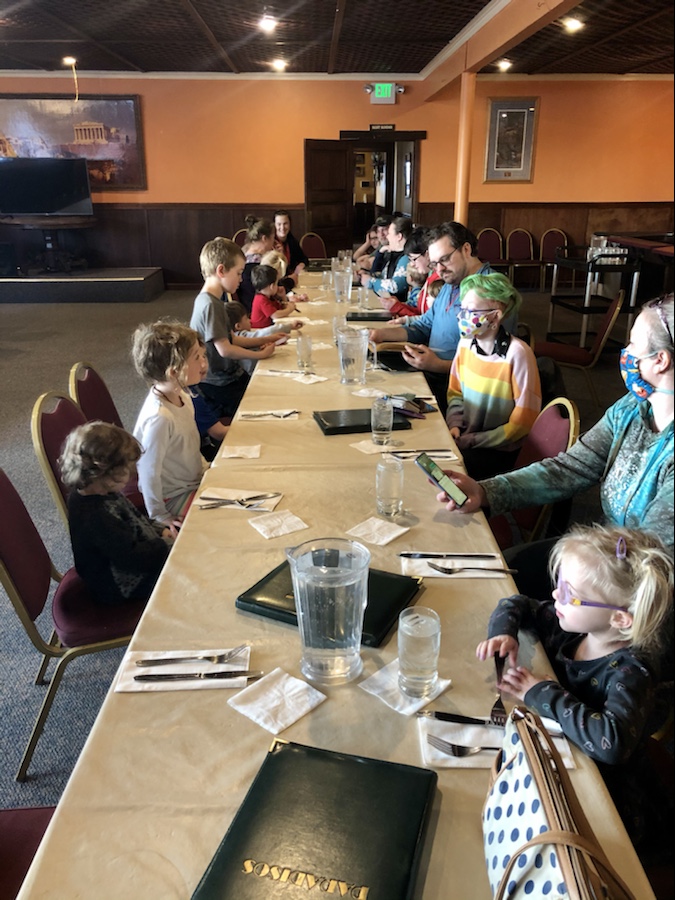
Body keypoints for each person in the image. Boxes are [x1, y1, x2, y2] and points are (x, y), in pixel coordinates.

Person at [437, 293, 674, 590]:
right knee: (496, 575)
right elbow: (570, 467)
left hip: (640, 583)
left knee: (497, 586)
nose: (625, 352)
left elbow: (650, 556)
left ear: (660, 361)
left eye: (633, 344)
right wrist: (486, 491)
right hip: (604, 553)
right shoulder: (631, 408)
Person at [476, 523, 674, 849]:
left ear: (619, 619)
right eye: (559, 584)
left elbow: (611, 743)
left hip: (609, 796)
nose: (556, 596)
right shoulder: (576, 627)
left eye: (569, 594)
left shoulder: (632, 673)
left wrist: (541, 692)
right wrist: (503, 632)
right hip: (563, 753)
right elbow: (518, 603)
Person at [369, 221, 505, 412]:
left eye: (445, 259)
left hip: (462, 392)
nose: (439, 270)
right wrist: (380, 334)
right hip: (429, 374)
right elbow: (425, 325)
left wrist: (438, 365)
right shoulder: (450, 282)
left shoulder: (492, 291)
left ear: (466, 249)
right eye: (434, 264)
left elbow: (495, 365)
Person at [59, 421, 174, 606]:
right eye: (125, 470)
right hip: (119, 584)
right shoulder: (95, 516)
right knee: (183, 576)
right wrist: (164, 545)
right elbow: (131, 559)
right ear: (102, 473)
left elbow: (134, 517)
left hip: (135, 558)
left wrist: (160, 530)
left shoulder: (102, 490)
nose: (130, 475)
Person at [446, 273, 541, 479]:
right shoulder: (465, 345)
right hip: (466, 440)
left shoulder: (518, 354)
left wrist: (473, 440)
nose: (462, 317)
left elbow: (523, 422)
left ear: (495, 316)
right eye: (462, 309)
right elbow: (455, 392)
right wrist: (454, 425)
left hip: (500, 450)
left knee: (448, 476)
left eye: (471, 311)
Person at [132, 320, 209, 527]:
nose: (203, 363)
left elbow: (189, 447)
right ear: (174, 372)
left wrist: (206, 469)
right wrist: (160, 515)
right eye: (196, 358)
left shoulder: (183, 395)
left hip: (192, 481)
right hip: (173, 497)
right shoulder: (160, 418)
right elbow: (148, 472)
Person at [190, 237, 275, 419]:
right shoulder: (211, 305)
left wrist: (266, 339)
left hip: (227, 377)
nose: (241, 279)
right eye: (238, 273)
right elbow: (225, 350)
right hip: (218, 384)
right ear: (221, 271)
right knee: (266, 401)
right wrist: (260, 355)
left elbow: (232, 339)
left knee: (267, 386)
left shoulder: (213, 301)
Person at [361, 215, 413, 303]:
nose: (387, 237)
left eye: (389, 233)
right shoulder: (393, 253)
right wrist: (365, 275)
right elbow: (382, 276)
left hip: (400, 305)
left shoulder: (406, 257)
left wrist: (371, 281)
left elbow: (396, 286)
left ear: (399, 236)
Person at [237, 217, 277, 312]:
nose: (274, 242)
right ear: (264, 239)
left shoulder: (244, 252)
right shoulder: (258, 264)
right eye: (273, 238)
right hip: (257, 310)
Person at [250, 264, 298, 329]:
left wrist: (283, 297)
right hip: (259, 330)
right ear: (272, 286)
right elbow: (275, 315)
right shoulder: (261, 299)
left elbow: (281, 308)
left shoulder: (270, 296)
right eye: (277, 284)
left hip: (266, 329)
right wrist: (289, 309)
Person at [273, 209, 309, 283]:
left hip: (292, 279)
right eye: (279, 224)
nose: (282, 228)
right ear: (274, 225)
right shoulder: (271, 243)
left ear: (290, 224)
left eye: (285, 223)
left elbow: (304, 259)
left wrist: (301, 265)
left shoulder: (292, 240)